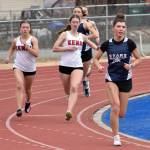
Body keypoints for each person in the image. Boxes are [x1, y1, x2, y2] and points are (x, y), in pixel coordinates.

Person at [94, 13, 141, 146]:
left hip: (126, 79)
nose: (121, 29)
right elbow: (95, 58)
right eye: (119, 26)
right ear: (113, 28)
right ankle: (116, 136)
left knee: (121, 113)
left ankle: (116, 123)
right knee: (115, 106)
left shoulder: (129, 43)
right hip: (111, 79)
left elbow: (139, 59)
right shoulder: (107, 44)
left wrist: (131, 65)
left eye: (123, 27)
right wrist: (98, 66)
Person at [52, 15, 97, 121]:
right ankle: (68, 96)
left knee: (74, 87)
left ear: (79, 23)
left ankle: (69, 111)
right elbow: (54, 48)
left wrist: (103, 49)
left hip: (77, 66)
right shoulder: (65, 34)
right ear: (70, 23)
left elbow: (94, 46)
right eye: (73, 22)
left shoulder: (82, 36)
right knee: (67, 90)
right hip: (64, 66)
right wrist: (67, 48)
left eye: (77, 22)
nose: (75, 24)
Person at [5, 20, 39, 117]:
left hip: (30, 68)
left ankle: (28, 101)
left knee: (28, 89)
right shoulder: (16, 40)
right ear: (20, 29)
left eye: (27, 27)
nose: (25, 29)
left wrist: (27, 47)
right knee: (19, 85)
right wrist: (8, 57)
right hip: (18, 66)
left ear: (30, 29)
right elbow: (12, 48)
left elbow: (36, 54)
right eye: (23, 27)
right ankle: (19, 108)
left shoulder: (33, 40)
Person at [73, 6, 99, 97]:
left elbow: (95, 34)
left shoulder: (86, 23)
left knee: (85, 73)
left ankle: (85, 82)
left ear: (82, 14)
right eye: (74, 11)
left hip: (86, 51)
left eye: (78, 12)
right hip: (75, 52)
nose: (76, 13)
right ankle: (72, 91)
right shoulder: (70, 24)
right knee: (74, 72)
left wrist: (85, 38)